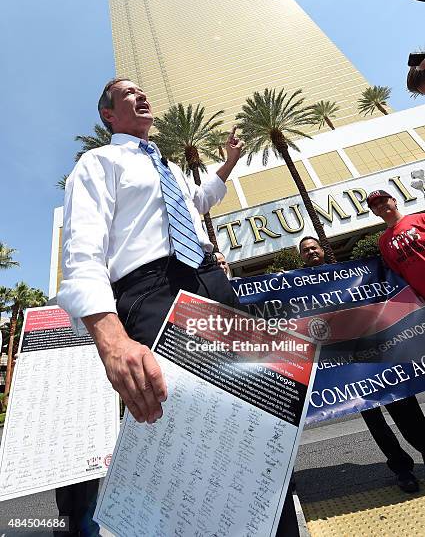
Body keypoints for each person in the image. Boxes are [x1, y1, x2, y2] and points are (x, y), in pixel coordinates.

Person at [57, 78, 298, 535]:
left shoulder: (165, 168)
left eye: (142, 89)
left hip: (211, 282)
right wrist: (111, 341)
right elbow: (82, 253)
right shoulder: (99, 162)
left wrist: (228, 164)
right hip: (153, 294)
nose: (141, 94)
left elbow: (198, 198)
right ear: (108, 114)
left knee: (259, 426)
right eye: (127, 93)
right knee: (186, 443)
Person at [299, 235, 425, 493]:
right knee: (376, 422)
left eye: (314, 248)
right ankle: (402, 469)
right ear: (301, 257)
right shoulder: (298, 288)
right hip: (348, 368)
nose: (311, 252)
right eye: (305, 250)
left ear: (323, 250)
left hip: (381, 357)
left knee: (408, 413)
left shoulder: (353, 273)